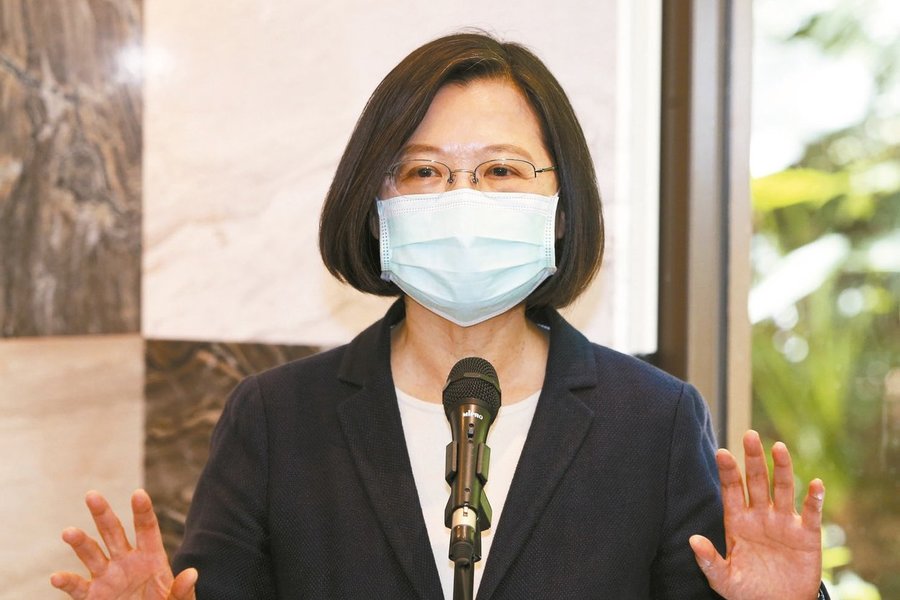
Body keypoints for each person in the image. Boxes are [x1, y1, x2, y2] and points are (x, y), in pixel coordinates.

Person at [51, 32, 828, 599]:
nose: (462, 198)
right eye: (424, 171)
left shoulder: (654, 424)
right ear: (375, 206)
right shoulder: (276, 422)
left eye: (501, 170)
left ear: (561, 211)